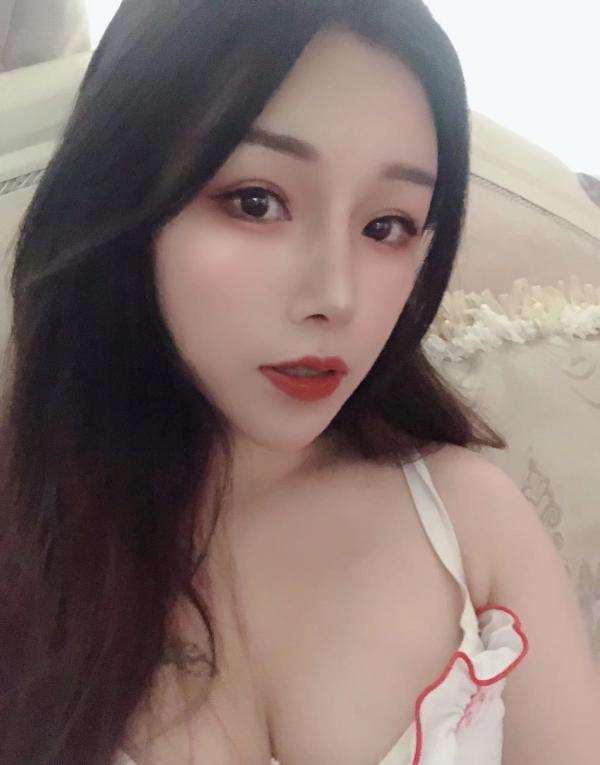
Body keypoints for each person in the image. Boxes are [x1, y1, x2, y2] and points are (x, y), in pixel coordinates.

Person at [1, 2, 599, 764]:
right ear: (120, 195)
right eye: (257, 202)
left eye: (386, 226)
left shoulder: (472, 519)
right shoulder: (25, 535)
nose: (335, 297)